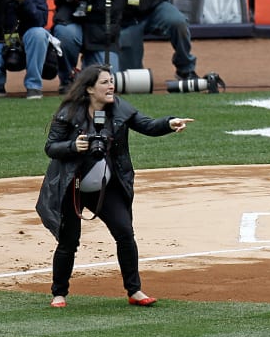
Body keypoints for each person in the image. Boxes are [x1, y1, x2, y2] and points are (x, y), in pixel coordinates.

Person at [36, 64, 193, 309]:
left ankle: (135, 291)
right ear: (89, 88)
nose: (111, 86)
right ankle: (59, 293)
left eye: (111, 81)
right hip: (72, 187)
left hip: (105, 188)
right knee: (69, 241)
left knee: (125, 232)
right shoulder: (69, 112)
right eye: (105, 82)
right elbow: (50, 147)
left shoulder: (119, 108)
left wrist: (169, 123)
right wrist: (72, 147)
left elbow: (147, 125)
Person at [0, 0, 51, 99]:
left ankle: (34, 87)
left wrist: (23, 0)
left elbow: (41, 20)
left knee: (39, 34)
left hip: (26, 41)